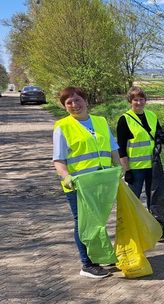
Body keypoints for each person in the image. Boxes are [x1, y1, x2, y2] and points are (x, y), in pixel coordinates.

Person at [52, 87, 121, 279]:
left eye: (78, 100)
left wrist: (119, 169)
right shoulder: (62, 127)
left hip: (102, 182)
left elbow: (113, 147)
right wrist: (66, 177)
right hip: (78, 185)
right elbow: (58, 159)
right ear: (65, 107)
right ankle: (87, 263)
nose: (75, 105)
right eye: (69, 103)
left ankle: (100, 254)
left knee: (98, 221)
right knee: (83, 222)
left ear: (86, 100)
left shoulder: (100, 121)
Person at [116, 86, 164, 208]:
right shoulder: (125, 119)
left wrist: (162, 138)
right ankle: (134, 226)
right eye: (135, 100)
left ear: (145, 100)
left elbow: (158, 133)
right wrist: (126, 170)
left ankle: (152, 224)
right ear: (130, 101)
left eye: (141, 99)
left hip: (152, 165)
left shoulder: (152, 116)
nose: (139, 102)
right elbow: (121, 148)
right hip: (135, 168)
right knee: (134, 201)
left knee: (154, 199)